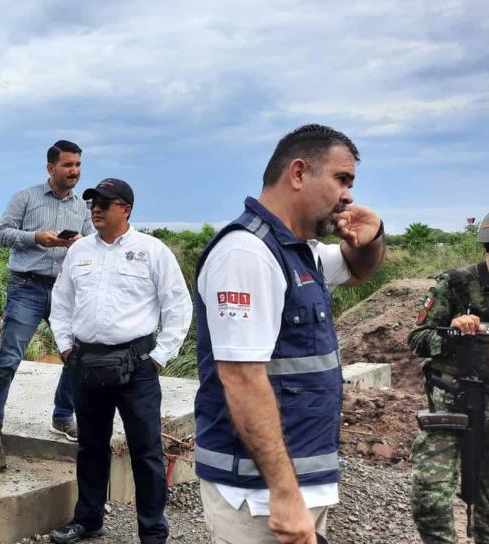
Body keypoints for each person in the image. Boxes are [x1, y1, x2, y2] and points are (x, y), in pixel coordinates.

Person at [193, 124, 385, 544]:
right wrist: (284, 492)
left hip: (294, 481)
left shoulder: (300, 252)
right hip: (259, 493)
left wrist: (373, 237)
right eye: (342, 179)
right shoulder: (247, 254)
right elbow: (241, 378)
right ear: (298, 174)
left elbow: (358, 270)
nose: (348, 195)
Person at [48, 178, 192, 544]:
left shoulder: (152, 251)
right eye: (93, 202)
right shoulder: (79, 252)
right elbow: (61, 303)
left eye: (105, 203)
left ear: (125, 209)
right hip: (87, 364)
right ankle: (88, 520)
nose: (96, 208)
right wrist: (66, 347)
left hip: (136, 367)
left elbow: (178, 306)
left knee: (146, 452)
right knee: (91, 448)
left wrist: (159, 358)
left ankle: (153, 531)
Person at [0, 139, 94, 471]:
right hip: (26, 287)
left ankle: (62, 416)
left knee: (76, 355)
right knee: (8, 361)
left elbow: (91, 244)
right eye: (68, 165)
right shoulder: (26, 197)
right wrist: (35, 238)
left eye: (78, 165)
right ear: (51, 168)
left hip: (63, 290)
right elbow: (2, 233)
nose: (74, 171)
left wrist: (78, 242)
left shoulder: (81, 208)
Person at [408, 205, 489, 544]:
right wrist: (451, 331)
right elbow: (417, 338)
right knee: (430, 496)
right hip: (455, 406)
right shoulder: (458, 283)